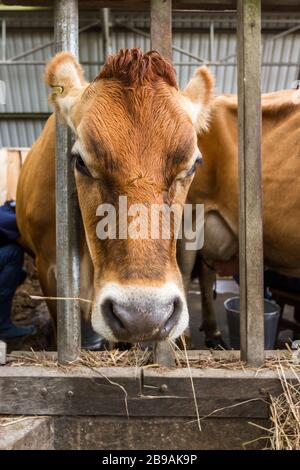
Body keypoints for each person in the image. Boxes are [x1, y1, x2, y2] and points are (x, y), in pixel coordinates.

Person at [0, 201, 36, 340]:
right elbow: (28, 227)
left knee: (19, 274)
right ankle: (3, 326)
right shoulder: (6, 217)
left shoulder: (4, 211)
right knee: (14, 252)